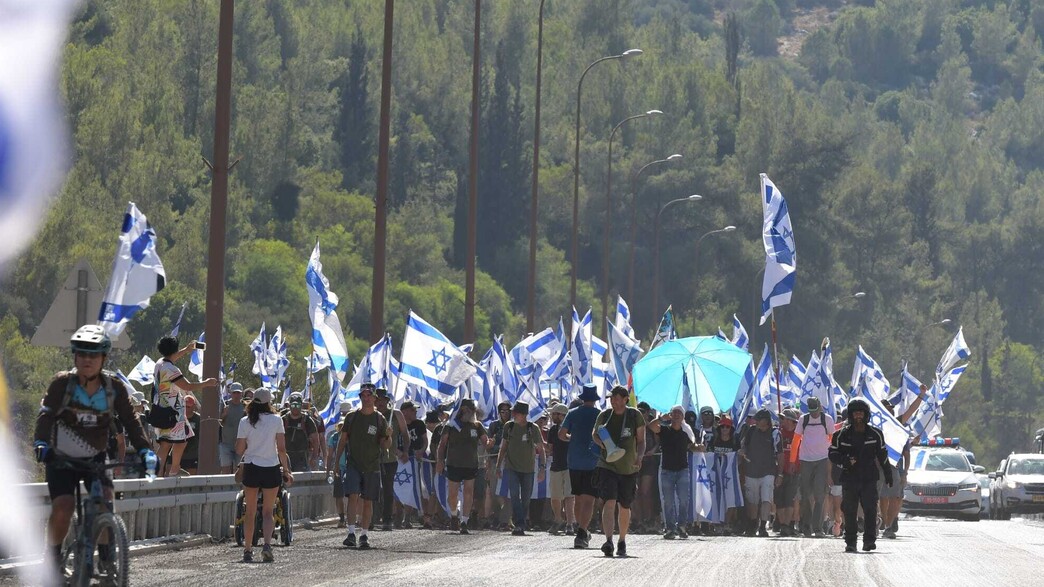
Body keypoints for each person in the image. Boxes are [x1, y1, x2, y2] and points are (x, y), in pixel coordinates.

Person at [34, 326, 156, 576]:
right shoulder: (62, 384)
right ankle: (53, 559)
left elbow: (131, 422)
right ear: (75, 356)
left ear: (104, 358)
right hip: (60, 458)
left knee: (105, 503)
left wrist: (145, 450)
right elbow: (45, 416)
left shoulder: (114, 389)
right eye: (81, 354)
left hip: (96, 457)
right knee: (64, 505)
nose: (87, 360)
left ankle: (107, 560)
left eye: (93, 355)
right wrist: (40, 443)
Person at [235, 387, 293, 563]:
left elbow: (239, 449)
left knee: (250, 511)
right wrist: (287, 470)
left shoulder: (245, 421)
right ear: (269, 402)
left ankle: (247, 549)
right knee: (268, 511)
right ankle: (267, 545)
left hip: (252, 467)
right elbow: (281, 449)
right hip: (271, 467)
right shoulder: (277, 420)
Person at [828, 398, 893, 553]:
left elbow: (883, 455)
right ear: (850, 415)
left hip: (869, 478)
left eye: (861, 413)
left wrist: (888, 473)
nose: (858, 416)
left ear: (866, 415)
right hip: (850, 477)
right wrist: (845, 461)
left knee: (870, 509)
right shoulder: (840, 435)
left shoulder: (876, 434)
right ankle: (850, 541)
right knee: (849, 510)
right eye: (855, 413)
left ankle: (869, 540)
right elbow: (832, 453)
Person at [333, 383, 391, 549]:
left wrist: (388, 436)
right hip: (353, 464)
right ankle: (351, 533)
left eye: (369, 396)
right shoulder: (351, 417)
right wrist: (336, 463)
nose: (366, 399)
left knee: (368, 501)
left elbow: (385, 445)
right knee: (352, 496)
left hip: (372, 465)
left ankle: (364, 534)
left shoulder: (380, 419)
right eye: (363, 396)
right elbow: (343, 441)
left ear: (374, 398)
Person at [153, 336, 218, 476]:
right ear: (174, 350)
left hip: (160, 409)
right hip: (173, 411)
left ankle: (158, 473)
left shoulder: (159, 363)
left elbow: (172, 357)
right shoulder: (171, 369)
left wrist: (187, 350)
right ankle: (174, 470)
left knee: (166, 444)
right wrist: (206, 383)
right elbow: (187, 386)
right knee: (181, 441)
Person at [592, 385, 645, 558]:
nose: (613, 401)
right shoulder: (605, 415)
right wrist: (603, 444)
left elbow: (641, 440)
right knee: (609, 501)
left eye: (616, 398)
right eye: (611, 398)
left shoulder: (634, 415)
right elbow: (594, 434)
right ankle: (608, 540)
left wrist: (640, 457)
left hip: (628, 467)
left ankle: (622, 540)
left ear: (625, 399)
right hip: (607, 465)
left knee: (624, 505)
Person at [437, 399, 489, 534]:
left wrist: (491, 443)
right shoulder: (451, 425)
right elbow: (442, 445)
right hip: (454, 464)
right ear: (460, 410)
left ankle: (464, 521)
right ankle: (454, 515)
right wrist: (440, 461)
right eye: (465, 409)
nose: (468, 412)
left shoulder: (477, 426)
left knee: (468, 492)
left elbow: (486, 443)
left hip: (471, 464)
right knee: (453, 494)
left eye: (470, 410)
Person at [559, 384, 601, 549]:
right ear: (595, 399)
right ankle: (582, 531)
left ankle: (580, 529)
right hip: (593, 460)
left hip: (574, 460)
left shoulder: (572, 413)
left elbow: (561, 435)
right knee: (589, 499)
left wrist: (573, 438)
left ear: (583, 398)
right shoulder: (600, 415)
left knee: (578, 498)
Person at [496, 401, 546, 536]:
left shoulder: (532, 428)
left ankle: (521, 521)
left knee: (526, 498)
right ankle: (519, 523)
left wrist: (542, 467)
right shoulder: (509, 427)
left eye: (514, 412)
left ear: (522, 414)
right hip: (511, 467)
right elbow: (503, 447)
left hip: (528, 469)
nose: (512, 414)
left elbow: (541, 450)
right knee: (513, 495)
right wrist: (498, 465)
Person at [647, 405, 694, 539]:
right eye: (674, 412)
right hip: (667, 470)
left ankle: (682, 526)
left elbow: (693, 445)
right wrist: (661, 418)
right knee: (668, 501)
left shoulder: (687, 432)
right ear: (671, 415)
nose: (677, 415)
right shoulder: (664, 430)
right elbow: (651, 426)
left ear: (683, 416)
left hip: (682, 470)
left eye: (679, 413)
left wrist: (699, 448)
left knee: (684, 500)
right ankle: (670, 528)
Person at [796, 396, 835, 538]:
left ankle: (818, 528)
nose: (813, 414)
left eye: (815, 410)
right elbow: (796, 440)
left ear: (820, 407)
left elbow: (831, 438)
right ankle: (806, 526)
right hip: (805, 460)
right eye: (811, 411)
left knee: (819, 495)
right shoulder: (803, 420)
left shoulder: (827, 419)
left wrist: (830, 456)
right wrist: (793, 461)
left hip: (822, 460)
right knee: (806, 495)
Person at [739, 409, 781, 537]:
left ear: (766, 420)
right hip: (751, 471)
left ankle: (763, 526)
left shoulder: (775, 433)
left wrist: (780, 474)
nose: (756, 422)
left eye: (759, 419)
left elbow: (780, 454)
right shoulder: (751, 431)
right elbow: (744, 446)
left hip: (768, 471)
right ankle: (752, 525)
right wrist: (742, 452)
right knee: (753, 501)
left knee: (766, 499)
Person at [375, 388, 409, 531]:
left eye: (383, 400)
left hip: (390, 459)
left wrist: (406, 451)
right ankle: (372, 518)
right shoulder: (371, 415)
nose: (380, 402)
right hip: (373, 459)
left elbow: (405, 434)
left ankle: (387, 519)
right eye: (378, 399)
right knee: (372, 490)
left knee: (388, 490)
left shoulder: (395, 415)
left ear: (387, 401)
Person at [879, 399, 910, 539]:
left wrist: (905, 473)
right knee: (882, 498)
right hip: (877, 466)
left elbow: (906, 453)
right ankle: (883, 523)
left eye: (891, 408)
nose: (890, 410)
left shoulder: (897, 426)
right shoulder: (874, 425)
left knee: (895, 497)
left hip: (894, 467)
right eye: (887, 408)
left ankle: (889, 525)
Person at [706, 416, 740, 534]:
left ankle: (727, 522)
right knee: (715, 497)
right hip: (715, 474)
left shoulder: (735, 441)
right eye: (723, 427)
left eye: (727, 427)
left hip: (730, 474)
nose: (725, 429)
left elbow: (738, 457)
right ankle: (716, 523)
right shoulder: (714, 441)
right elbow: (708, 455)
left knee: (731, 498)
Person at [546, 403, 575, 535]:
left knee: (569, 496)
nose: (552, 416)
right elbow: (550, 449)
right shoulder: (552, 430)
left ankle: (570, 523)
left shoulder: (572, 428)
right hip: (556, 466)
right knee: (555, 496)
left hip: (570, 466)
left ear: (562, 415)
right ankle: (558, 519)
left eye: (555, 413)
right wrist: (539, 442)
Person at [485, 401, 513, 530]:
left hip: (509, 462)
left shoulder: (514, 426)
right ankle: (497, 517)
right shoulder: (494, 426)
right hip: (495, 461)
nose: (505, 413)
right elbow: (489, 445)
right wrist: (495, 447)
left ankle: (506, 519)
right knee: (494, 492)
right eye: (503, 411)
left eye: (508, 411)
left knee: (506, 493)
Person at [400, 401, 427, 528]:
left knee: (414, 488)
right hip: (400, 460)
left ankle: (408, 517)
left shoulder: (419, 424)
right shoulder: (398, 424)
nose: (415, 412)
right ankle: (397, 515)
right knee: (400, 486)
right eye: (412, 410)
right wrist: (400, 454)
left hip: (414, 459)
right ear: (404, 412)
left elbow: (425, 440)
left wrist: (421, 451)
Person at [326, 402, 353, 528]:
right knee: (338, 495)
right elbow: (329, 455)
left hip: (351, 468)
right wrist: (328, 470)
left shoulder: (353, 437)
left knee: (351, 495)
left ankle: (350, 517)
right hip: (338, 469)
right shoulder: (334, 438)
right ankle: (342, 518)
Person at [634, 402, 659, 533]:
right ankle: (638, 520)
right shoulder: (634, 425)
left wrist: (652, 450)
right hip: (636, 461)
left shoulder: (651, 427)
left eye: (643, 411)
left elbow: (658, 442)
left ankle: (649, 518)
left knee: (645, 491)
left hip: (649, 461)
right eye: (639, 410)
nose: (641, 413)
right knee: (635, 493)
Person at [775, 408, 801, 537]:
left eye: (784, 418)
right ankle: (782, 524)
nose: (781, 421)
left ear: (791, 421)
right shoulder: (778, 434)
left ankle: (786, 525)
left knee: (789, 499)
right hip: (779, 471)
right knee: (779, 499)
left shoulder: (799, 435)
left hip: (794, 472)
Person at [282, 392, 319, 473]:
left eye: (298, 405)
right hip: (285, 456)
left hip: (302, 457)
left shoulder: (307, 420)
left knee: (300, 481)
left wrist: (314, 458)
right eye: (293, 405)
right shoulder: (283, 420)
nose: (295, 408)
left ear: (301, 405)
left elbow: (316, 440)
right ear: (289, 406)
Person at [219, 383, 246, 474]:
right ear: (230, 393)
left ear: (241, 393)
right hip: (226, 443)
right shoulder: (224, 405)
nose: (236, 395)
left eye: (238, 393)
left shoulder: (245, 407)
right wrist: (224, 414)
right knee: (225, 469)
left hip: (241, 443)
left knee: (240, 469)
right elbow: (219, 422)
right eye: (234, 393)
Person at [179, 395, 201, 475]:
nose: (186, 409)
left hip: (193, 454)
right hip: (179, 454)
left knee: (192, 476)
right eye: (184, 406)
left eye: (188, 407)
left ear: (193, 407)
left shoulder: (198, 419)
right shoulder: (178, 417)